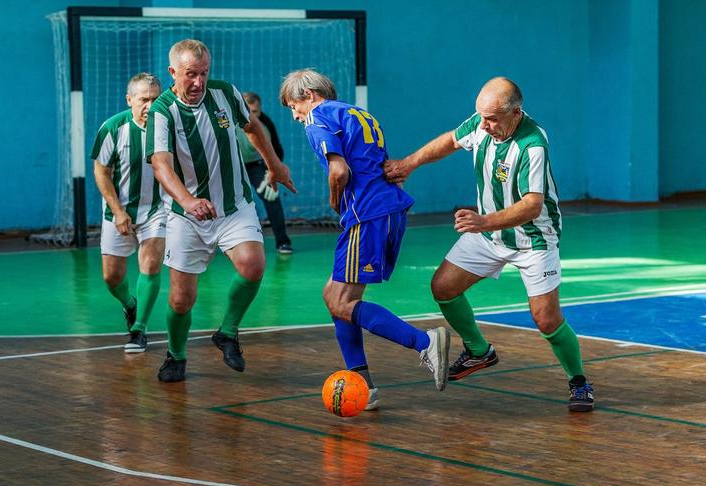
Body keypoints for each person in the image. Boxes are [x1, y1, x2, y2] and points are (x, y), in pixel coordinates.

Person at [384, 77, 594, 412]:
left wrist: (482, 221)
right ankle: (479, 351)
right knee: (444, 286)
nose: (484, 125)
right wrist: (409, 163)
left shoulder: (532, 144)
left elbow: (532, 205)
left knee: (546, 319)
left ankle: (579, 382)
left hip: (533, 239)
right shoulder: (483, 123)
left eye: (493, 119)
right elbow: (450, 141)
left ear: (516, 113)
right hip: (489, 232)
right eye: (481, 116)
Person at [279, 69, 450, 410]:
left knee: (341, 302)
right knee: (335, 297)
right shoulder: (359, 113)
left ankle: (424, 342)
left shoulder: (318, 118)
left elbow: (339, 170)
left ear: (309, 96)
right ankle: (364, 386)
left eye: (293, 106)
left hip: (366, 215)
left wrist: (334, 197)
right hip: (387, 210)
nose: (295, 116)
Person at [146, 39, 295, 383]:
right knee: (182, 299)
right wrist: (187, 201)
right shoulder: (161, 112)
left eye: (203, 73)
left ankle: (227, 332)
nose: (198, 82)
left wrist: (275, 165)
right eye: (190, 75)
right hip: (187, 215)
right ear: (172, 73)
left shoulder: (225, 93)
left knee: (253, 264)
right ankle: (176, 354)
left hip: (233, 205)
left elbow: (253, 127)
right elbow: (161, 164)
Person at [90, 72, 164, 354]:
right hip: (118, 211)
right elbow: (101, 171)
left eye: (155, 99)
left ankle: (139, 330)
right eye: (144, 99)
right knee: (111, 277)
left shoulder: (170, 126)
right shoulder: (112, 128)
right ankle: (130, 305)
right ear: (129, 99)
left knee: (150, 264)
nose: (150, 105)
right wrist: (118, 211)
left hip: (159, 209)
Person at [236, 91, 294, 254]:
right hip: (233, 164)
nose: (253, 116)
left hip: (256, 165)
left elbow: (277, 150)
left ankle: (283, 242)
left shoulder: (265, 122)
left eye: (256, 112)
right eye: (249, 111)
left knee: (272, 196)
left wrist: (271, 172)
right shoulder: (227, 120)